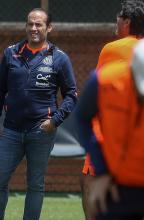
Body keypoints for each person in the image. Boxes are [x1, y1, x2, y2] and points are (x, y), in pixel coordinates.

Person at [0, 8, 77, 220]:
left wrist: (55, 121)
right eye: (30, 24)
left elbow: (71, 95)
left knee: (35, 184)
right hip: (11, 130)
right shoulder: (11, 53)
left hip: (41, 132)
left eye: (39, 24)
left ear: (49, 28)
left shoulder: (59, 58)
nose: (34, 28)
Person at [80, 1, 144, 219]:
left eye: (119, 16)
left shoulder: (112, 49)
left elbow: (91, 104)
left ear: (127, 21)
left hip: (112, 137)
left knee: (90, 179)